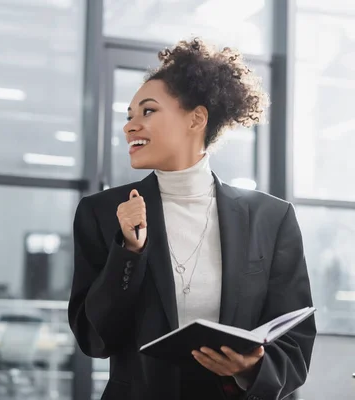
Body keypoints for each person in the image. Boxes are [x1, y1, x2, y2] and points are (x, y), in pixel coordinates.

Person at [68, 38, 316, 400]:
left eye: (148, 111)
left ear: (196, 118)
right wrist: (129, 250)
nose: (130, 126)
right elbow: (94, 338)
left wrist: (250, 368)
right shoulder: (103, 213)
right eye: (129, 116)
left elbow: (295, 340)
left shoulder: (271, 217)